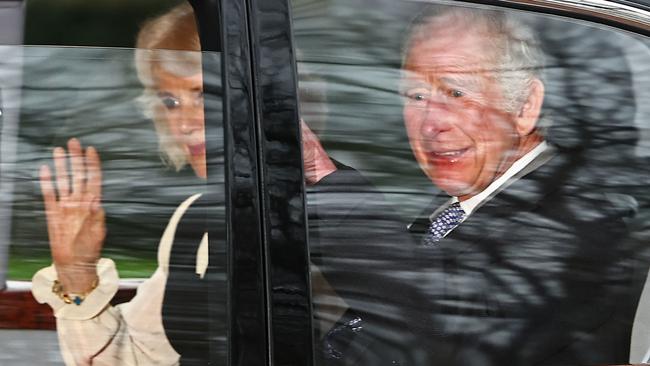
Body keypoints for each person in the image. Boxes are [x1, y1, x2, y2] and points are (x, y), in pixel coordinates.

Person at [321, 6, 645, 365]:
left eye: (457, 93)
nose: (431, 123)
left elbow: (447, 321)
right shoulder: (455, 206)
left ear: (525, 106)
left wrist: (324, 181)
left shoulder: (580, 219)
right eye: (416, 96)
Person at [30, 3, 338, 365]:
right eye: (170, 101)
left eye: (203, 94)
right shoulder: (193, 218)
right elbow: (133, 357)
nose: (185, 124)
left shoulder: (324, 216)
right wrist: (76, 273)